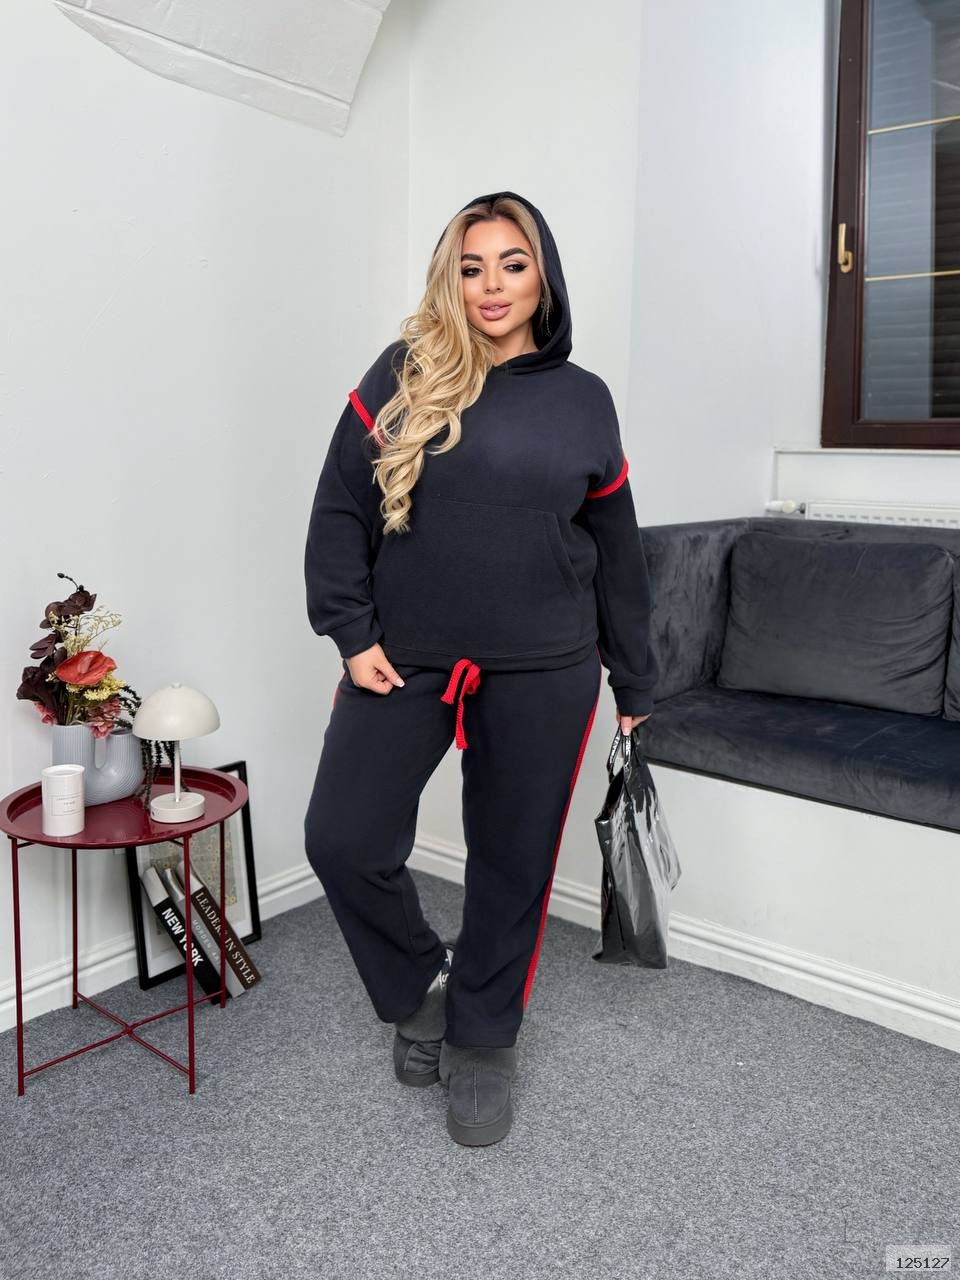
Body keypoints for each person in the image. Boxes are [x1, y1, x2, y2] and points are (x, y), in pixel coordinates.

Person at [303, 189, 657, 1148]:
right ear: (449, 279)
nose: (491, 285)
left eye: (512, 263)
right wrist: (351, 632)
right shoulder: (404, 372)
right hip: (403, 656)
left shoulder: (584, 399)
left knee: (512, 861)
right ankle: (423, 986)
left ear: (544, 276)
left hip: (545, 665)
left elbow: (617, 550)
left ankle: (485, 1037)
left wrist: (635, 681)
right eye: (471, 267)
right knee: (343, 838)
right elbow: (340, 506)